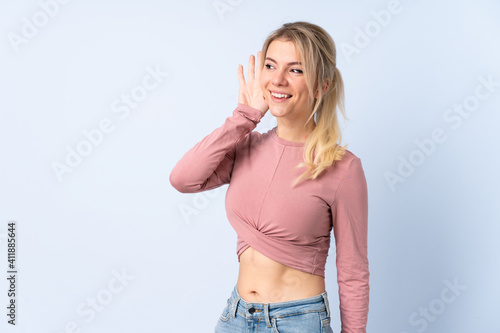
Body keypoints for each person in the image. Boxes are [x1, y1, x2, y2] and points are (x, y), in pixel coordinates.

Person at [169, 21, 369, 333]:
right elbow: (184, 179)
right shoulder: (246, 146)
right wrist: (244, 117)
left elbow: (353, 269)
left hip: (299, 321)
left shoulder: (342, 168)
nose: (277, 80)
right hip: (235, 316)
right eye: (270, 65)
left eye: (296, 70)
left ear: (322, 85)